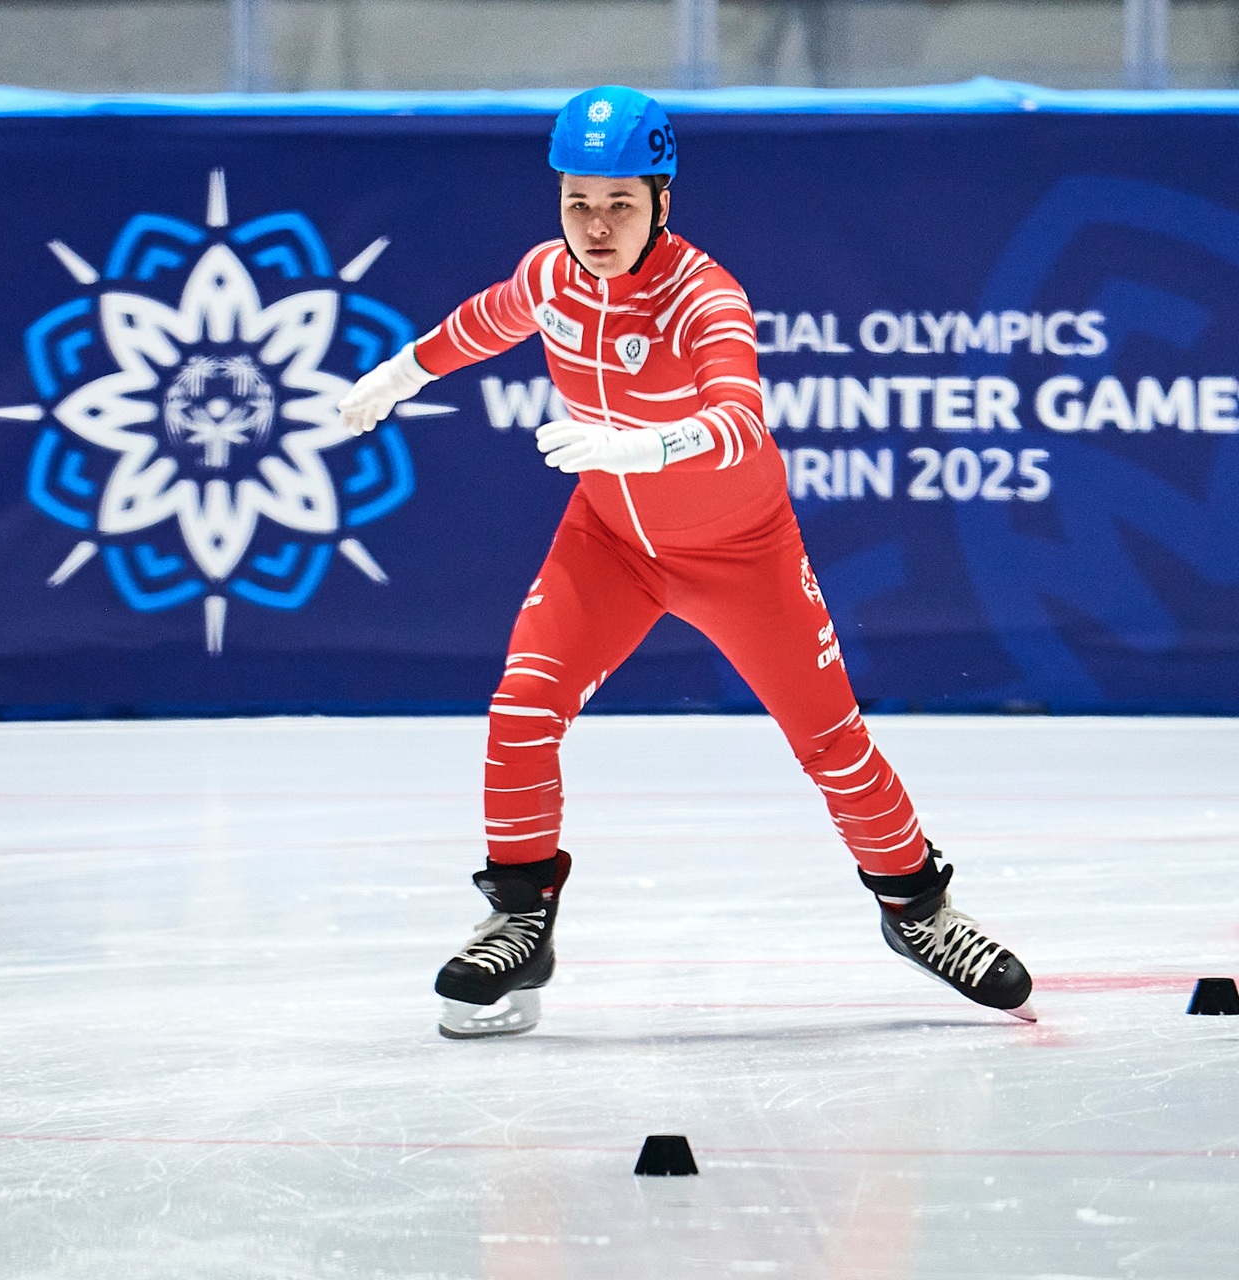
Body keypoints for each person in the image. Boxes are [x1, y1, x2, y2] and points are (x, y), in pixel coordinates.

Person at [336, 86, 1035, 1033]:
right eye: (578, 201)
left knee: (833, 746)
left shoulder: (704, 294)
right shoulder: (549, 275)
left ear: (662, 198)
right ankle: (519, 919)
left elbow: (742, 422)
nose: (596, 225)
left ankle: (919, 911)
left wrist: (644, 445)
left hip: (740, 553)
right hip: (611, 545)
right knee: (521, 709)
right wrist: (401, 373)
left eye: (620, 203)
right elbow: (488, 319)